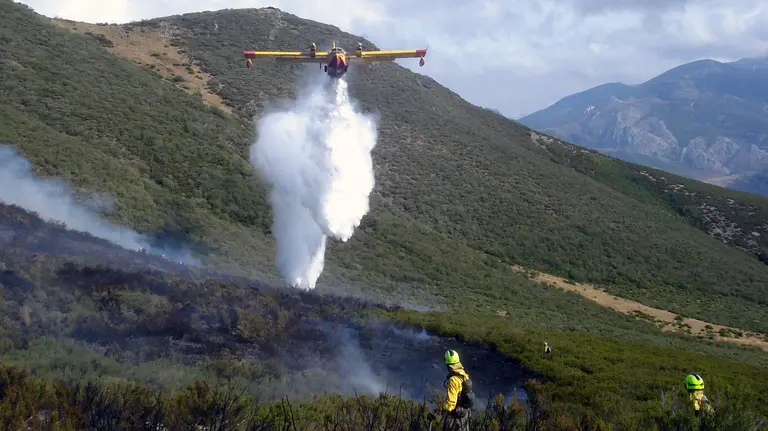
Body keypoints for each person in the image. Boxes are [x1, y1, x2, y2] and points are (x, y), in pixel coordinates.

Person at [427, 349, 474, 431]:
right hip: (465, 416)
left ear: (448, 365)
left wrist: (436, 411)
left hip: (456, 419)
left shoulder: (453, 380)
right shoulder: (464, 375)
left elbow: (450, 405)